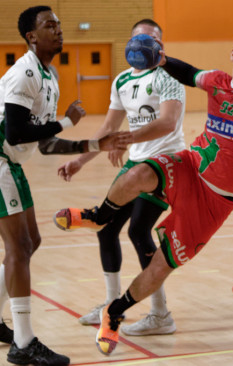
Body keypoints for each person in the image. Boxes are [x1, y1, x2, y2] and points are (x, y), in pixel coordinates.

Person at [53, 33, 233, 355]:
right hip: (190, 166)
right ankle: (99, 216)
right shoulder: (217, 81)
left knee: (160, 266)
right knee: (140, 172)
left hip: (217, 200)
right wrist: (163, 60)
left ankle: (113, 312)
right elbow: (189, 73)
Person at [0, 6, 130, 365]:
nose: (58, 30)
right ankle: (24, 344)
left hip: (11, 162)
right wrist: (65, 122)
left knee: (31, 242)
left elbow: (44, 144)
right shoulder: (24, 72)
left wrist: (93, 145)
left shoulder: (50, 76)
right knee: (19, 247)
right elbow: (15, 131)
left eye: (58, 24)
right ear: (31, 36)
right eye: (49, 25)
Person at [56, 19, 185, 336]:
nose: (145, 42)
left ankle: (160, 314)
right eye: (139, 38)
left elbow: (168, 123)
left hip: (165, 165)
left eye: (153, 38)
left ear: (161, 45)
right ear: (130, 43)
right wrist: (81, 160)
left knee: (139, 231)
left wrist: (129, 137)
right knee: (107, 229)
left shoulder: (170, 77)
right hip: (136, 164)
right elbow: (108, 129)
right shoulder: (123, 80)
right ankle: (112, 304)